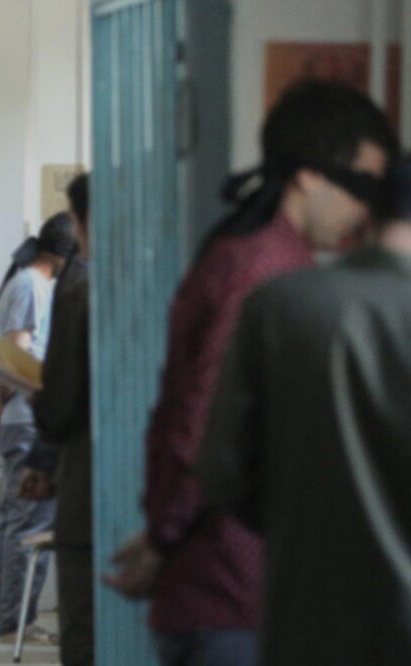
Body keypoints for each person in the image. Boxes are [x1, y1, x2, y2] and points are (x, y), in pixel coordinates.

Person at [103, 80, 397, 666]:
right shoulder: (267, 270)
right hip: (232, 588)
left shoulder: (253, 251)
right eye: (361, 185)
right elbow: (202, 424)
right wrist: (164, 539)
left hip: (226, 582)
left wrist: (166, 531)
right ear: (309, 177)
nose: (366, 209)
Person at [196, 156, 411, 666]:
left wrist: (301, 521)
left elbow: (222, 471)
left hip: (307, 624)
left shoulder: (279, 304)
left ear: (367, 213)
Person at [0, 214, 76, 643]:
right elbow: (13, 362)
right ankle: (15, 620)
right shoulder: (31, 287)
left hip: (20, 420)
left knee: (14, 523)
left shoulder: (26, 284)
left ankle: (3, 617)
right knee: (28, 525)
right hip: (30, 424)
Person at [18, 175, 94, 664]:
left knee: (85, 619)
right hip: (153, 483)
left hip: (86, 477)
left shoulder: (77, 288)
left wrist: (42, 460)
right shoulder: (163, 275)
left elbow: (61, 396)